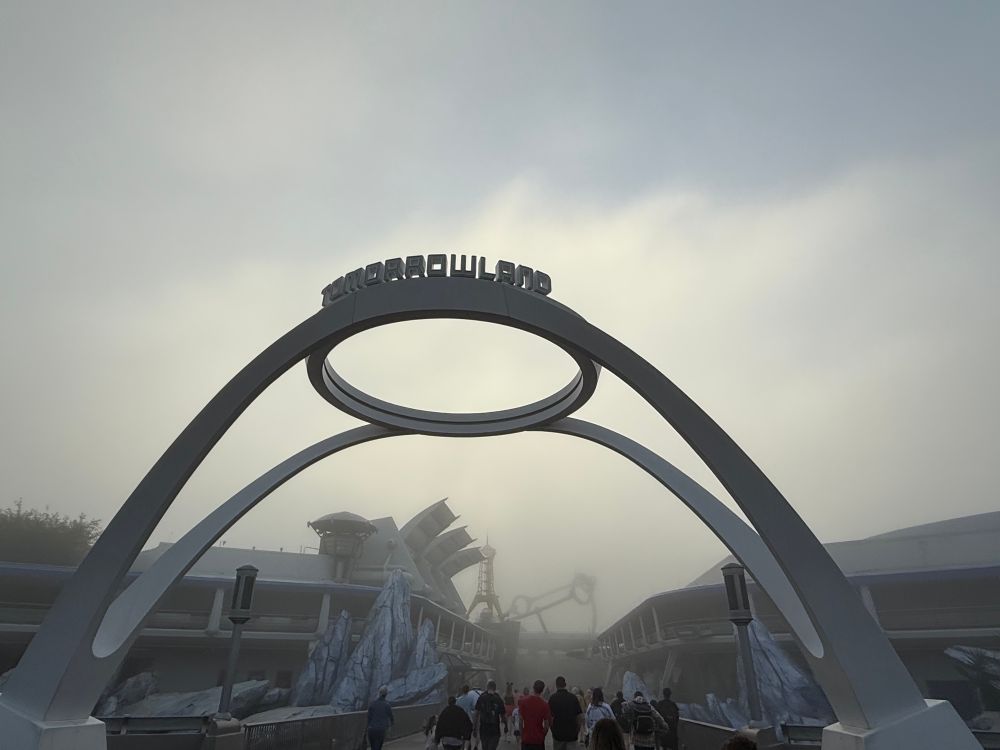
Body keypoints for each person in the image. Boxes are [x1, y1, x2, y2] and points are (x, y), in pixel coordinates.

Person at [548, 676, 583, 750]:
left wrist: (553, 730)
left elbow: (550, 718)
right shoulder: (573, 698)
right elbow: (579, 717)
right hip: (572, 734)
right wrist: (577, 730)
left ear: (556, 685)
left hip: (558, 734)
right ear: (565, 684)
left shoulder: (552, 698)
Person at [474, 679, 510, 750]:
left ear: (487, 687)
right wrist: (506, 725)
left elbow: (476, 714)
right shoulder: (498, 699)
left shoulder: (481, 697)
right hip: (495, 730)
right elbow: (503, 715)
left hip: (484, 729)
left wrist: (474, 728)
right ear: (495, 688)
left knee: (485, 748)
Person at [517, 679, 551, 750]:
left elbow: (520, 721)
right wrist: (542, 735)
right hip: (538, 739)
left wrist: (522, 734)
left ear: (533, 688)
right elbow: (546, 725)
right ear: (542, 690)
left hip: (526, 738)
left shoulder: (523, 702)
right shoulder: (545, 705)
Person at [366, 685, 394, 750]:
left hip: (371, 729)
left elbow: (368, 718)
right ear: (386, 694)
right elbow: (391, 717)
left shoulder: (372, 704)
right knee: (378, 747)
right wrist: (390, 726)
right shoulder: (387, 705)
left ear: (379, 693)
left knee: (373, 747)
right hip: (381, 730)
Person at [457, 685, 482, 750]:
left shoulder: (458, 700)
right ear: (468, 690)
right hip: (468, 719)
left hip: (460, 719)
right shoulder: (471, 698)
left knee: (462, 735)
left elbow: (457, 709)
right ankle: (468, 747)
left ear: (462, 690)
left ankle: (462, 747)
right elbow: (474, 708)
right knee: (469, 735)